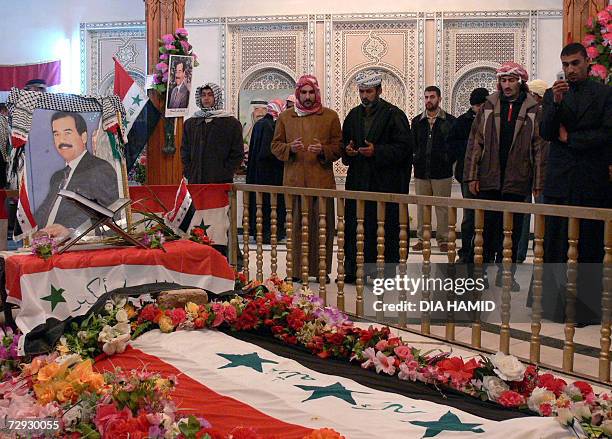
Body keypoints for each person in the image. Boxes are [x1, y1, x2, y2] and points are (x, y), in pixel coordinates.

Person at [539, 43, 612, 325]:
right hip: (560, 180)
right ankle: (554, 308)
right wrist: (556, 105)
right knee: (557, 243)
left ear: (586, 64)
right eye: (566, 64)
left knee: (589, 245)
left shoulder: (604, 94)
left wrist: (572, 140)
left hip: (591, 181)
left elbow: (607, 134)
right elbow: (546, 133)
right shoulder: (552, 95)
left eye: (575, 64)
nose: (570, 70)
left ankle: (587, 310)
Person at [464, 62, 546, 290]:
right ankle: (480, 274)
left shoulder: (533, 109)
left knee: (512, 231)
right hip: (489, 179)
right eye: (503, 80)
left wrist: (538, 182)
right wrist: (472, 176)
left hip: (517, 180)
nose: (507, 85)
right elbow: (475, 143)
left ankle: (506, 274)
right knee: (486, 229)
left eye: (511, 80)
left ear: (520, 82)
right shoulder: (488, 107)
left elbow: (539, 148)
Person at [342, 70, 413, 283]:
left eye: (369, 92)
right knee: (357, 227)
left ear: (379, 91)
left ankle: (384, 274)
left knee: (384, 229)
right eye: (362, 92)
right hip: (358, 182)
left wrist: (377, 151)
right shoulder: (353, 115)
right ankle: (355, 270)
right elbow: (345, 144)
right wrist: (349, 151)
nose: (365, 96)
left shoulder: (394, 114)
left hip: (384, 185)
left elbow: (404, 149)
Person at [271, 75, 342, 282]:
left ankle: (321, 271)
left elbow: (338, 148)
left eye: (311, 92)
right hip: (294, 183)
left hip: (321, 183)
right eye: (304, 92)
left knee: (321, 227)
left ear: (317, 93)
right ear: (298, 93)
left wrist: (323, 150)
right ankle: (293, 271)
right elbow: (275, 146)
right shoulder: (285, 117)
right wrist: (289, 148)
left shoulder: (330, 117)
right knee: (294, 228)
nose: (308, 96)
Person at [34, 112, 119, 230]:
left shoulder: (99, 169)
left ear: (83, 137)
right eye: (56, 134)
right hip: (46, 243)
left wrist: (69, 231)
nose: (61, 140)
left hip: (77, 244)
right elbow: (43, 212)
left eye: (67, 133)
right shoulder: (57, 176)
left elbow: (111, 218)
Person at [447, 87, 489, 263]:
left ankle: (484, 252)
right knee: (470, 216)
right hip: (468, 175)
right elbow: (452, 146)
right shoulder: (462, 122)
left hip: (488, 176)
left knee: (487, 217)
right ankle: (466, 252)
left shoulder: (492, 120)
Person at [412, 86, 456, 253]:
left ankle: (443, 239)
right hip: (422, 171)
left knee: (442, 207)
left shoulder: (450, 121)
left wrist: (447, 160)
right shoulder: (417, 121)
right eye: (426, 97)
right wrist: (416, 160)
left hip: (442, 172)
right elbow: (414, 144)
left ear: (439, 99)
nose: (428, 100)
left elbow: (453, 146)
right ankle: (423, 239)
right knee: (423, 206)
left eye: (432, 97)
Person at [181, 83, 244, 184]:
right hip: (195, 180)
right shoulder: (191, 123)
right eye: (203, 95)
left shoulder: (231, 123)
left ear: (217, 97)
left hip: (220, 181)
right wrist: (189, 171)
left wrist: (226, 173)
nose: (206, 98)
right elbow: (185, 151)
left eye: (210, 95)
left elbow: (237, 153)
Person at [516, 79, 549, 263]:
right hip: (528, 172)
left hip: (539, 174)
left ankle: (531, 252)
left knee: (538, 214)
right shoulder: (528, 116)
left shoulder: (542, 116)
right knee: (526, 214)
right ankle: (525, 253)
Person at [246, 99, 286, 243]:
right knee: (270, 206)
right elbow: (268, 152)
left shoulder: (260, 124)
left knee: (259, 205)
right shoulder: (271, 125)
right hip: (270, 175)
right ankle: (270, 234)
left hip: (257, 174)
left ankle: (259, 233)